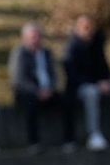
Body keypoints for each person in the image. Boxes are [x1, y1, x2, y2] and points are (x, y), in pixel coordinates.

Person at [8, 21, 75, 153]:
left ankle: (69, 141)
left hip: (47, 91)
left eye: (38, 36)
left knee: (67, 101)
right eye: (33, 37)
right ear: (25, 38)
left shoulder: (46, 52)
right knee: (30, 105)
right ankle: (34, 142)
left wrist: (50, 89)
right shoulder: (20, 53)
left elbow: (54, 74)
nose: (36, 40)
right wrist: (37, 91)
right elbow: (19, 79)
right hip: (28, 92)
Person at [61, 14, 110, 151]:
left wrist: (107, 81)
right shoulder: (72, 48)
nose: (89, 30)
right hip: (79, 88)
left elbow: (104, 67)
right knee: (92, 93)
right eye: (85, 28)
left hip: (100, 85)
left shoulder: (97, 44)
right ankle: (94, 134)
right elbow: (73, 76)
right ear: (78, 29)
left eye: (91, 28)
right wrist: (96, 84)